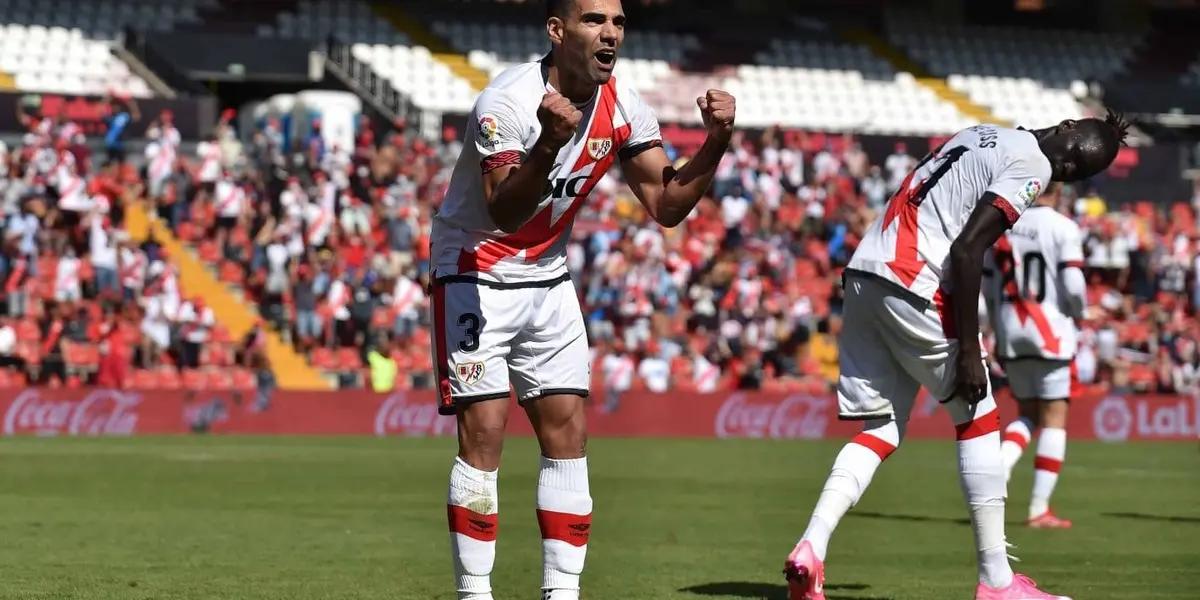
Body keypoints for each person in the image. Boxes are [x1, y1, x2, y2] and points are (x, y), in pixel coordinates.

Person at [429, 1, 735, 598]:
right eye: (594, 20)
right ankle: (474, 593)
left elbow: (667, 205)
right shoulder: (506, 102)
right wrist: (548, 145)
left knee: (568, 434)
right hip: (474, 269)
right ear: (557, 30)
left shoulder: (623, 104)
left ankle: (561, 594)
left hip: (547, 274)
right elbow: (503, 210)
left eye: (618, 22)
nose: (611, 33)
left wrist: (716, 142)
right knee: (485, 432)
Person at [783, 113, 1129, 600]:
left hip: (865, 272)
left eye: (1079, 170)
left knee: (881, 429)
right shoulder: (1032, 164)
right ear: (1067, 125)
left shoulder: (977, 134)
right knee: (980, 419)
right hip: (916, 279)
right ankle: (997, 583)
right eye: (1074, 157)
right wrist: (969, 348)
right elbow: (968, 250)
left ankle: (810, 549)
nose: (1068, 167)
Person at [984, 182, 1086, 529]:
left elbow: (985, 288)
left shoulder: (1000, 229)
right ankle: (1039, 509)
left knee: (1027, 412)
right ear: (1058, 192)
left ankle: (998, 468)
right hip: (1051, 331)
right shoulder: (1063, 227)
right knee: (1055, 417)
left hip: (1010, 331)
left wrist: (992, 330)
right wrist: (1080, 314)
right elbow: (1073, 287)